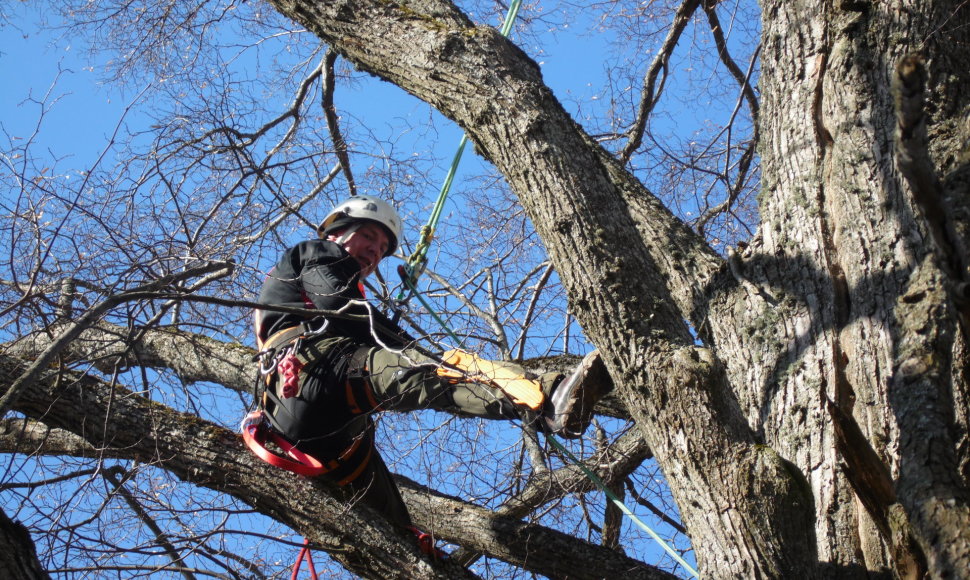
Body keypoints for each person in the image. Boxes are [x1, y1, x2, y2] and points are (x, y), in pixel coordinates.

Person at [253, 195, 610, 534]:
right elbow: (338, 303)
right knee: (441, 370)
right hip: (315, 366)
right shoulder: (316, 253)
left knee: (386, 513)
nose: (374, 252)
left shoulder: (328, 292)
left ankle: (408, 547)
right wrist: (408, 347)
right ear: (337, 232)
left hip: (309, 417)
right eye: (368, 236)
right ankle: (550, 393)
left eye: (380, 250)